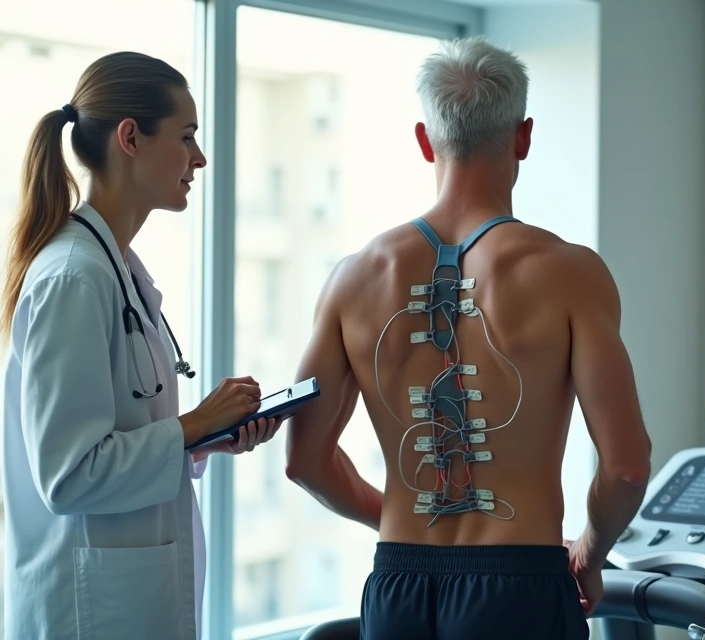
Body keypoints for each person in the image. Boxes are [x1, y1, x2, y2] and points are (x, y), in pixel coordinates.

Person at [283, 35, 652, 640]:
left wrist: (400, 521)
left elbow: (304, 462)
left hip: (397, 583)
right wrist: (589, 549)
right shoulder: (568, 273)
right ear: (523, 137)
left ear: (426, 141)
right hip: (521, 584)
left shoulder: (354, 278)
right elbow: (627, 469)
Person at [2, 51, 280, 640]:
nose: (198, 159)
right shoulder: (74, 277)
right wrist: (192, 424)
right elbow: (69, 475)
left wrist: (203, 439)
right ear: (131, 137)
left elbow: (116, 439)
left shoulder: (114, 269)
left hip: (124, 599)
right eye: (186, 137)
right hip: (88, 610)